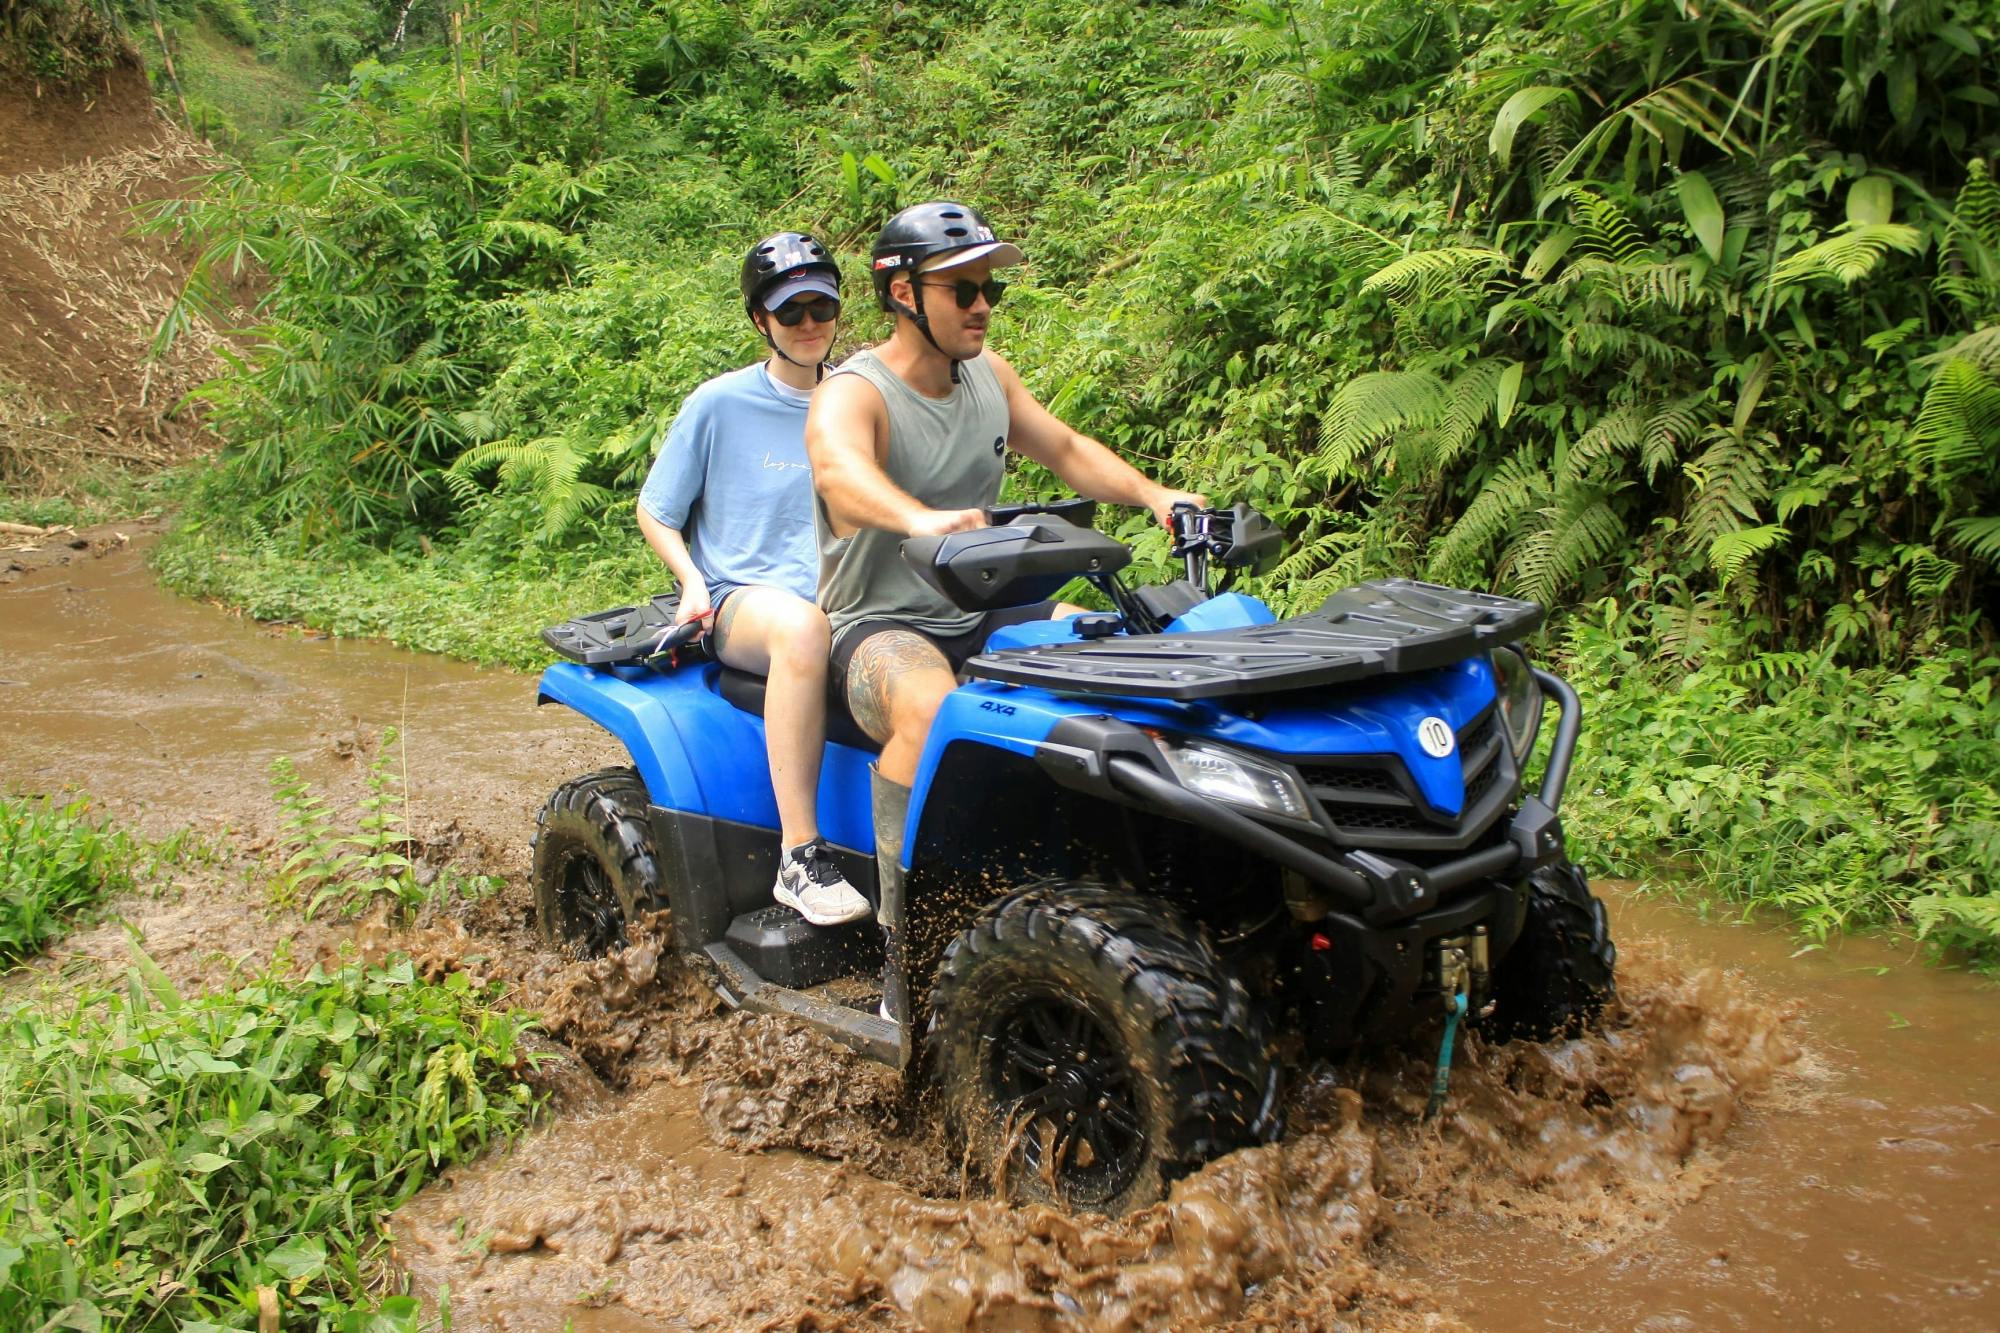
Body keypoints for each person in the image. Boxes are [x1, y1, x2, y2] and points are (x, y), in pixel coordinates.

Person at [805, 200, 1205, 1018]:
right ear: (904, 295)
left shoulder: (990, 377)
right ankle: (903, 954)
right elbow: (838, 473)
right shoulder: (856, 391)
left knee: (1113, 646)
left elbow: (1063, 448)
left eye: (989, 288)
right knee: (929, 706)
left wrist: (1153, 494)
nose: (983, 303)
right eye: (963, 289)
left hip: (984, 611)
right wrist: (918, 518)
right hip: (879, 626)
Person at [637, 231, 871, 928]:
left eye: (820, 308)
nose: (808, 325)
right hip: (747, 601)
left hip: (848, 597)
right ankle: (800, 855)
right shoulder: (719, 404)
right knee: (804, 627)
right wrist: (691, 580)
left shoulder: (859, 400)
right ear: (760, 320)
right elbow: (656, 509)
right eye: (790, 311)